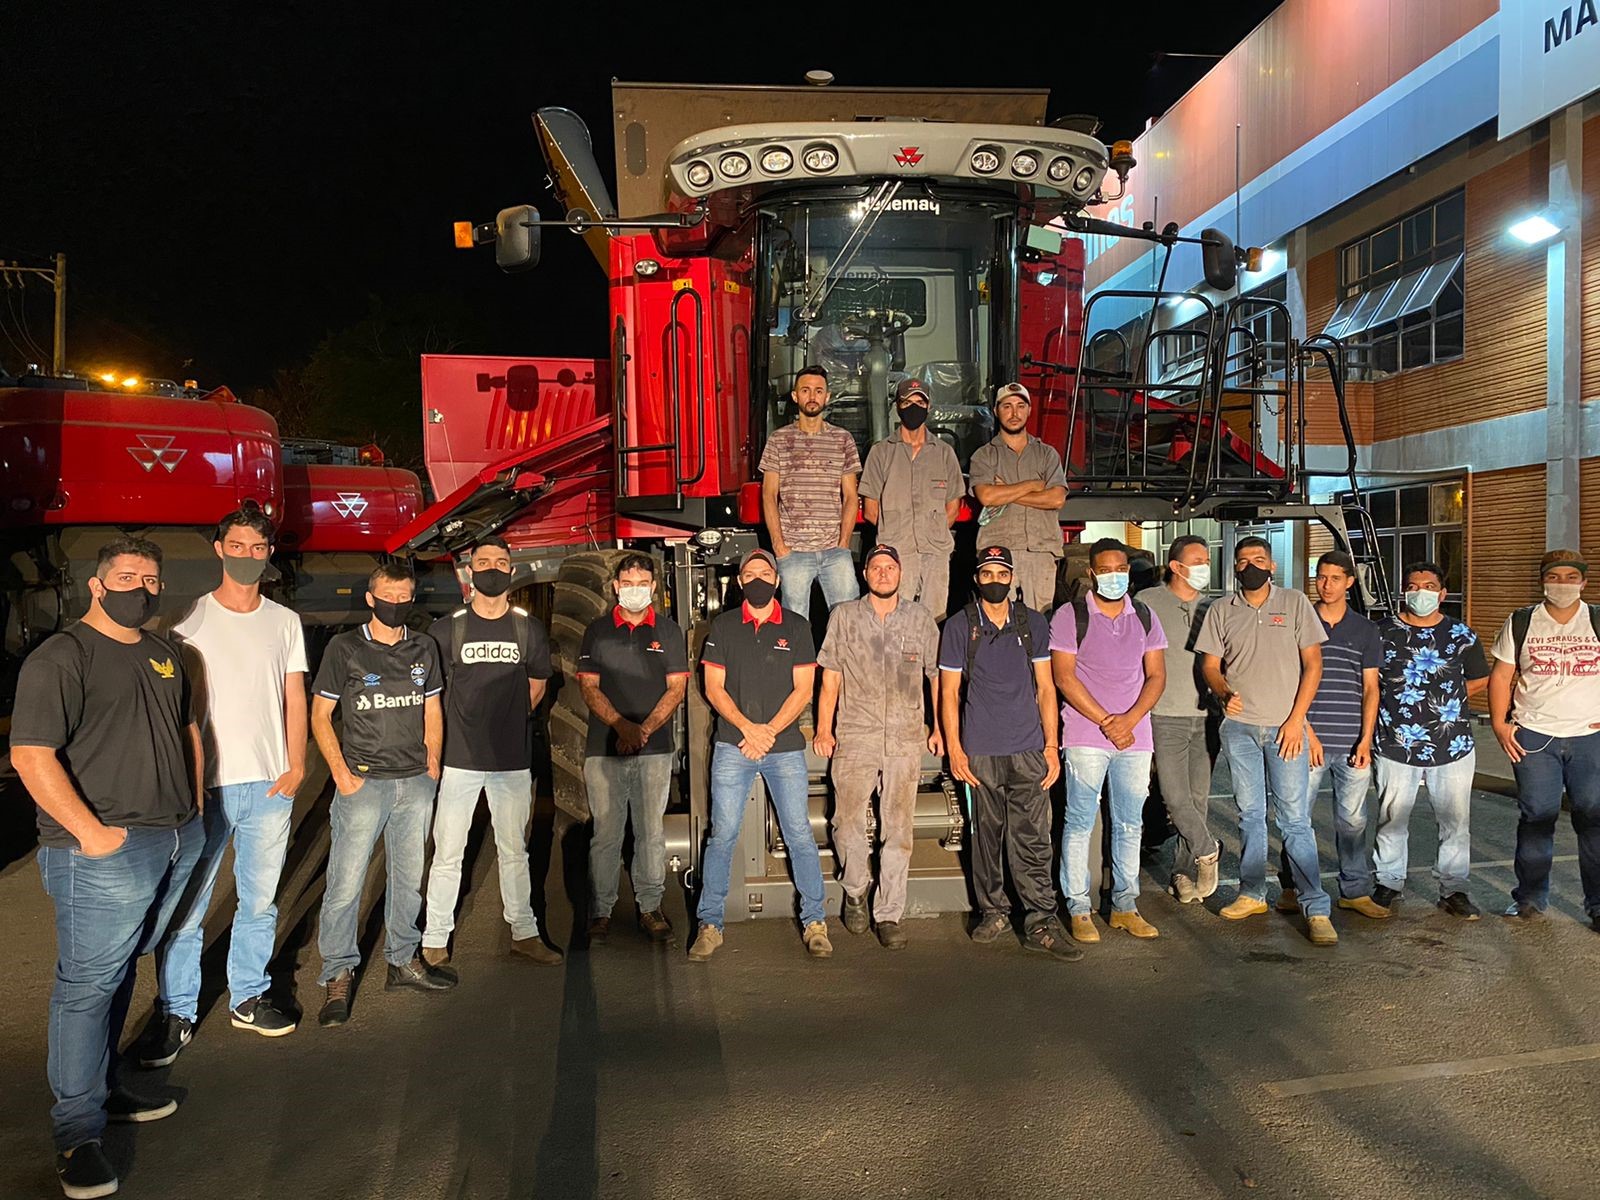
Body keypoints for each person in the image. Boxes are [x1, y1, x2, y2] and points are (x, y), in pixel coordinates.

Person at [11, 536, 206, 1200]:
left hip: (169, 837)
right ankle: (76, 1133)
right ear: (96, 585)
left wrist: (193, 810)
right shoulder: (63, 657)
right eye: (126, 578)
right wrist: (91, 834)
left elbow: (182, 732)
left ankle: (105, 1088)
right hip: (101, 852)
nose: (141, 590)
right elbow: (31, 755)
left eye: (151, 581)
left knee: (120, 970)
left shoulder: (161, 654)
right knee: (86, 987)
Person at [141, 503, 307, 1065]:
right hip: (205, 788)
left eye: (257, 549)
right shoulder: (187, 620)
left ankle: (248, 997)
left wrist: (296, 765)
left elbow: (294, 697)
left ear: (269, 554)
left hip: (269, 785)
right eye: (236, 547)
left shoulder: (284, 622)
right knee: (187, 906)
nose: (246, 557)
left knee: (259, 902)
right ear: (219, 549)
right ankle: (176, 1012)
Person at [311, 562, 453, 1027]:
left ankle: (403, 960)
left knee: (408, 879)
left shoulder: (423, 646)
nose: (395, 603)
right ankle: (337, 973)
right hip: (363, 783)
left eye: (403, 596)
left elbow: (432, 706)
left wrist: (433, 760)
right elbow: (320, 714)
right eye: (387, 596)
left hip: (414, 782)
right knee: (346, 884)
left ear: (412, 599)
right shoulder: (345, 648)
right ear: (371, 598)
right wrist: (341, 773)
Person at [422, 535, 562, 970]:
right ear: (469, 571)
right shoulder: (446, 629)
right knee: (448, 852)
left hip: (511, 761)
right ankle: (435, 938)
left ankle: (524, 932)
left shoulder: (527, 628)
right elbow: (431, 695)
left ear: (511, 571)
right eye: (483, 562)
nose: (492, 570)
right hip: (459, 761)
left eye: (501, 563)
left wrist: (508, 721)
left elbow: (537, 685)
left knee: (514, 850)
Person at [688, 550, 831, 961]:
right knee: (722, 835)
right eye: (749, 574)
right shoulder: (724, 626)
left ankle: (815, 923)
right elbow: (713, 688)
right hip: (733, 745)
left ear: (777, 580)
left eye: (764, 573)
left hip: (782, 748)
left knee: (799, 833)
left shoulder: (797, 627)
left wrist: (768, 732)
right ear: (739, 582)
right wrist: (749, 729)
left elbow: (803, 689)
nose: (757, 580)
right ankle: (710, 925)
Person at [940, 545, 1081, 961]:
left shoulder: (1031, 622)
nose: (995, 581)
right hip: (980, 753)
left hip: (1028, 749)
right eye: (987, 574)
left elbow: (1046, 688)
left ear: (1012, 578)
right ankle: (993, 912)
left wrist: (1051, 746)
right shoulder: (960, 626)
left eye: (1002, 574)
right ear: (976, 579)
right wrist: (955, 749)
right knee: (985, 836)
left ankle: (1040, 921)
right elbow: (948, 694)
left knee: (1033, 838)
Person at [1196, 536, 1334, 945]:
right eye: (1243, 561)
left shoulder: (1294, 603)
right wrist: (1223, 691)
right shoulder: (1221, 609)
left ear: (1272, 566)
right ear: (1234, 568)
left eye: (1259, 559)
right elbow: (1210, 664)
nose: (1251, 566)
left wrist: (1296, 721)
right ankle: (1252, 893)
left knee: (1294, 820)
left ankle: (1315, 906)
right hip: (1239, 728)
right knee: (1250, 815)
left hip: (1285, 729)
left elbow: (1314, 665)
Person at [813, 545, 942, 949]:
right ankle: (855, 889)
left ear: (900, 573)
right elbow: (830, 677)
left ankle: (889, 913)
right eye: (876, 567)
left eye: (890, 567)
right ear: (865, 574)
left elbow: (935, 676)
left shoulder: (920, 619)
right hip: (856, 735)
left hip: (905, 738)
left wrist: (939, 728)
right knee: (847, 821)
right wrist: (823, 729)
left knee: (899, 829)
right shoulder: (845, 617)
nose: (883, 573)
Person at [1050, 538, 1168, 942]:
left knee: (1130, 824)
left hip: (1135, 737)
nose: (1114, 576)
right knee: (1079, 822)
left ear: (1129, 571)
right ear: (1091, 574)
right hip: (1086, 735)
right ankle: (1078, 908)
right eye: (1105, 570)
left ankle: (1124, 906)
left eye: (1120, 569)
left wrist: (1128, 721)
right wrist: (1106, 721)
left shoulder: (1146, 616)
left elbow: (1157, 676)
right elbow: (1063, 677)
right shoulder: (1071, 615)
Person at [577, 553, 690, 945]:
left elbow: (676, 688)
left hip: (654, 749)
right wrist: (620, 725)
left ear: (654, 588)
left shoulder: (669, 632)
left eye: (642, 584)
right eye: (628, 584)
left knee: (650, 832)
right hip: (603, 749)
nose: (635, 590)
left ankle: (650, 906)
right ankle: (601, 911)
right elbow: (588, 686)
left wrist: (642, 731)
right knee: (605, 835)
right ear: (616, 587)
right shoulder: (597, 631)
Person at [1370, 562, 1489, 919]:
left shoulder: (1461, 635)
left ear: (1442, 593)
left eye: (1429, 586)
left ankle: (1454, 889)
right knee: (1392, 819)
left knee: (1455, 822)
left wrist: (1446, 701)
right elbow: (1369, 682)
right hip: (1395, 743)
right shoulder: (1381, 633)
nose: (1420, 592)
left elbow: (1480, 678)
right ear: (1403, 592)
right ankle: (1388, 882)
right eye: (1413, 586)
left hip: (1452, 746)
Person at [1276, 552, 1388, 920]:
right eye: (1321, 577)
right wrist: (1307, 732)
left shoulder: (1365, 630)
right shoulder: (1299, 622)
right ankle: (1292, 888)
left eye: (1335, 578)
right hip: (1304, 741)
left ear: (1350, 582)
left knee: (1352, 821)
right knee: (1297, 819)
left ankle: (1354, 891)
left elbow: (1371, 689)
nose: (1326, 585)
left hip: (1352, 741)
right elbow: (1290, 681)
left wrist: (1366, 740)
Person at [1490, 550, 1600, 922]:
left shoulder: (1596, 620)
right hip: (1535, 736)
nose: (1563, 584)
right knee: (1536, 817)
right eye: (1554, 576)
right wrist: (1500, 725)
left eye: (1571, 577)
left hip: (1589, 737)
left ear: (1584, 582)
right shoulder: (1522, 621)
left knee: (1593, 819)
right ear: (1542, 581)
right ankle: (1530, 898)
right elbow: (1501, 676)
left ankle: (1598, 904)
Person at [1138, 534, 1222, 903]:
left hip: (1205, 716)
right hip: (1165, 714)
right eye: (1198, 560)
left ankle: (1183, 872)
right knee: (1174, 797)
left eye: (1207, 560)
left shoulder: (1213, 606)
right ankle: (1208, 849)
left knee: (1198, 798)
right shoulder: (1148, 602)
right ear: (1176, 566)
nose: (1205, 566)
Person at [759, 364, 861, 619]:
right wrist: (779, 545)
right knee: (795, 624)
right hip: (793, 551)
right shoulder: (779, 440)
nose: (812, 396)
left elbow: (851, 496)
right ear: (795, 396)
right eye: (805, 390)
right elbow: (769, 495)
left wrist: (843, 544)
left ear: (827, 397)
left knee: (848, 620)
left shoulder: (843, 439)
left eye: (818, 391)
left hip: (835, 551)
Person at [858, 378, 964, 619]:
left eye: (920, 402)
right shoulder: (881, 452)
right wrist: (896, 532)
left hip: (935, 553)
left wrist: (932, 530)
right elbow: (871, 510)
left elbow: (953, 508)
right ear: (897, 406)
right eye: (907, 402)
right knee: (895, 618)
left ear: (929, 406)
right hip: (896, 553)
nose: (914, 407)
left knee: (934, 619)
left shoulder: (944, 453)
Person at [967, 382, 1067, 610]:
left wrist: (1007, 492)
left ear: (1029, 410)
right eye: (1007, 406)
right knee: (998, 618)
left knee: (1040, 619)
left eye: (1020, 406)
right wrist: (1033, 485)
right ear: (996, 411)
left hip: (1041, 550)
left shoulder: (1047, 454)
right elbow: (987, 496)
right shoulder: (984, 456)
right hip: (998, 553)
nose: (1014, 413)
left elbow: (1056, 499)